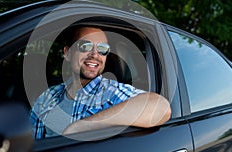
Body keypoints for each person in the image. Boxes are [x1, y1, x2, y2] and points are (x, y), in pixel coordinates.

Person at [30, 26, 171, 140]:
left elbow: (161, 108)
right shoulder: (47, 97)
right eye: (85, 46)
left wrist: (82, 126)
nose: (95, 54)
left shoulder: (111, 92)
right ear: (67, 53)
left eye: (103, 49)